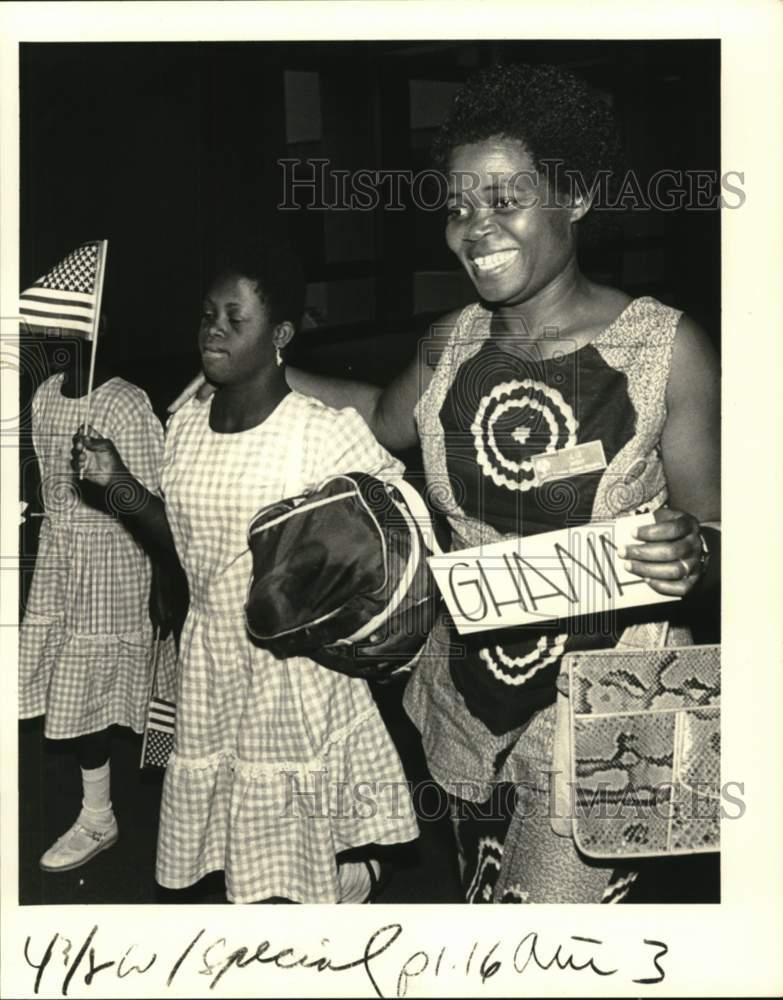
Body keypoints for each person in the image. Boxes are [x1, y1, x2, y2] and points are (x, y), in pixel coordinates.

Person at [277, 63, 720, 903]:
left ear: (575, 196)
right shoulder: (448, 344)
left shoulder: (667, 350)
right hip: (462, 702)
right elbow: (381, 416)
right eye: (458, 206)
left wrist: (693, 552)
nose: (474, 228)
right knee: (484, 911)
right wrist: (271, 373)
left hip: (602, 714)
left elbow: (723, 535)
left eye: (505, 200)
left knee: (551, 938)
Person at [73, 240, 419, 904]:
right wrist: (115, 482)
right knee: (238, 835)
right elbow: (173, 541)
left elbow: (397, 534)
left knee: (285, 838)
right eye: (207, 314)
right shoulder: (186, 428)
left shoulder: (318, 432)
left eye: (236, 318)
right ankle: (342, 884)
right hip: (211, 658)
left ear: (281, 335)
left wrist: (335, 594)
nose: (214, 329)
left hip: (290, 667)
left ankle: (333, 896)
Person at [19, 324, 178, 872]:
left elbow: (159, 500)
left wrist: (164, 577)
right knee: (78, 692)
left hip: (117, 564)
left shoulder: (126, 402)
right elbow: (46, 481)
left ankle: (184, 806)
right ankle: (97, 814)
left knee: (143, 695)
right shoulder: (45, 395)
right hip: (66, 563)